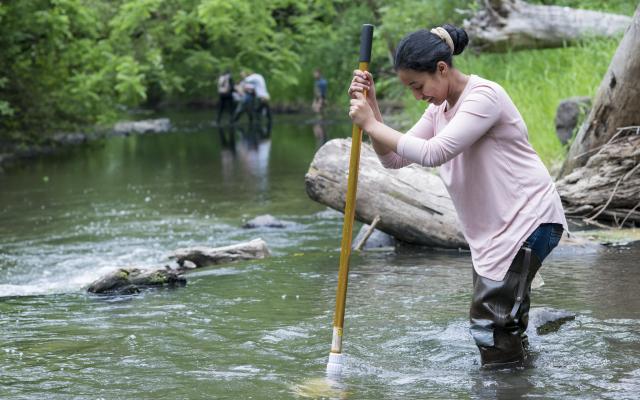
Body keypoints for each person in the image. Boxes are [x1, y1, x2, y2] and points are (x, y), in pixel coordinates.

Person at [347, 24, 568, 369]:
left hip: (528, 219)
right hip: (497, 230)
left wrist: (371, 125)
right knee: (502, 323)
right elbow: (393, 159)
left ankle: (505, 388)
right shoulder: (439, 109)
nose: (418, 96)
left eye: (418, 86)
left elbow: (436, 152)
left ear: (442, 68)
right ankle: (521, 381)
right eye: (410, 89)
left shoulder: (484, 97)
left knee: (490, 325)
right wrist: (372, 108)